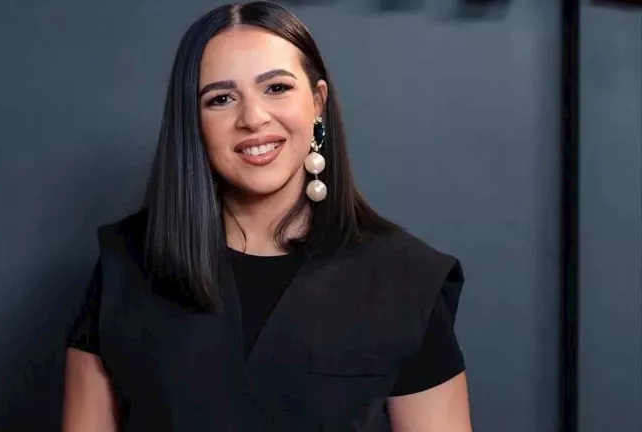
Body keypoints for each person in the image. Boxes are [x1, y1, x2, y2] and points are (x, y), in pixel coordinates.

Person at [62, 2, 472, 431]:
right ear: (192, 122)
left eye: (276, 88)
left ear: (317, 103)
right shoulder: (125, 265)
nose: (253, 118)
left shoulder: (407, 278)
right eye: (221, 99)